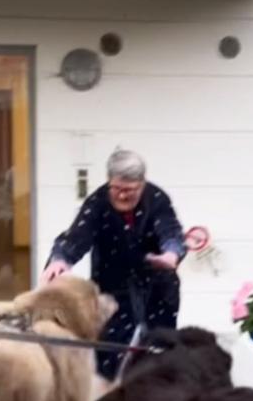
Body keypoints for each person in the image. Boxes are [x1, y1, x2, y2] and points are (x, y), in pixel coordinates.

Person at [40, 149, 189, 383]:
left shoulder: (157, 199)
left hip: (157, 287)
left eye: (129, 190)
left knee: (159, 354)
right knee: (108, 354)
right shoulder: (97, 203)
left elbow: (171, 232)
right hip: (113, 289)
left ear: (142, 184)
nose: (121, 196)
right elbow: (75, 239)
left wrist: (171, 254)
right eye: (116, 189)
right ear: (109, 182)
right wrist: (60, 260)